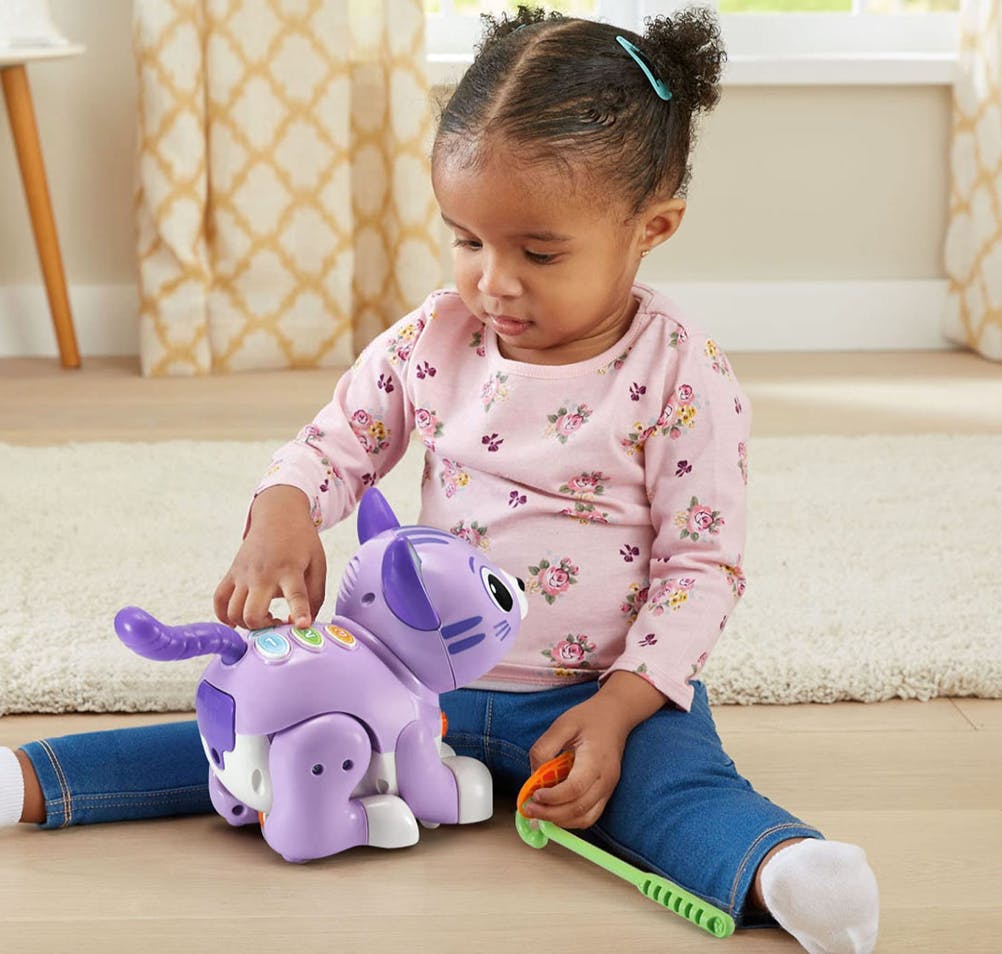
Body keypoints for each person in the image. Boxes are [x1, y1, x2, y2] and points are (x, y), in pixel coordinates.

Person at [0, 7, 878, 951]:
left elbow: (701, 567)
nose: (492, 281)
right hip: (401, 677)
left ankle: (789, 870)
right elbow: (334, 443)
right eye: (466, 240)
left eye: (539, 252)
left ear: (650, 227)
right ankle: (30, 779)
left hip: (594, 694)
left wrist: (623, 707)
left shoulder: (680, 374)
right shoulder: (435, 336)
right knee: (248, 730)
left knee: (678, 790)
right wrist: (283, 511)